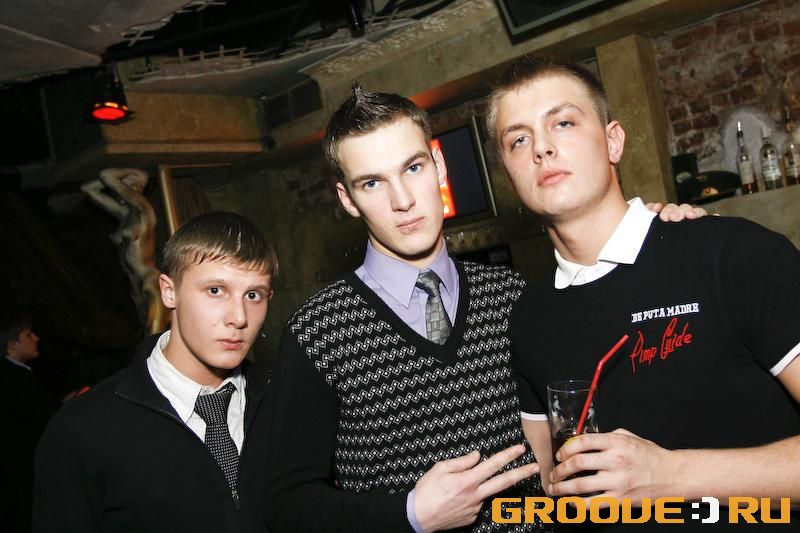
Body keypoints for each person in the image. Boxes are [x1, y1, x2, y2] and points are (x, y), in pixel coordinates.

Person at [265, 84, 699, 533]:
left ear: (438, 166)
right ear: (347, 199)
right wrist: (409, 514)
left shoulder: (514, 297)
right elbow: (286, 506)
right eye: (372, 183)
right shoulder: (318, 330)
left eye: (413, 168)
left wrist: (667, 238)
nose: (402, 200)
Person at [487, 56, 800, 528]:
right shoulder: (529, 317)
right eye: (519, 139)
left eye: (563, 123)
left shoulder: (732, 254)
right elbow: (549, 491)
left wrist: (671, 476)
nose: (542, 148)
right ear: (509, 175)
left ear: (613, 141)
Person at [33, 211, 278, 533]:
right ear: (169, 291)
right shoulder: (82, 430)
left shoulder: (288, 401)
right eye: (215, 290)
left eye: (253, 295)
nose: (239, 317)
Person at [82, 168, 168, 334]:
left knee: (152, 338)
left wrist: (136, 174)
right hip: (133, 282)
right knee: (147, 336)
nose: (121, 192)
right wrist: (128, 180)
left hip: (149, 282)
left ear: (138, 189)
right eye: (120, 188)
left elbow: (106, 175)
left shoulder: (144, 212)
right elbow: (88, 189)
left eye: (126, 188)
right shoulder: (123, 215)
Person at [0, 316, 57, 533]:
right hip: (17, 472)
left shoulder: (18, 375)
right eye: (28, 335)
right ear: (12, 344)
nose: (36, 338)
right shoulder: (13, 379)